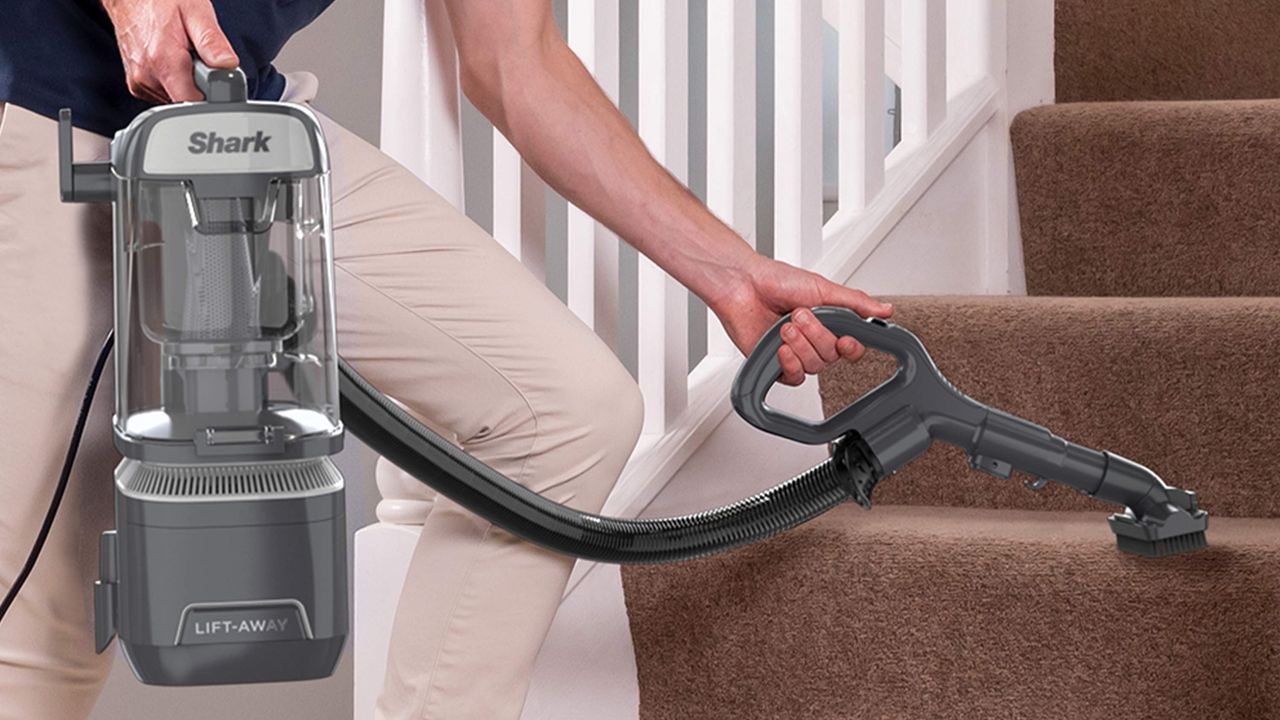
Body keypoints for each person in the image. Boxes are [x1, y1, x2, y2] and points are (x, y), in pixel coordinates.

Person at [0, 1, 892, 718]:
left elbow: (515, 60)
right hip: (48, 114)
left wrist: (731, 272)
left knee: (567, 409)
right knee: (41, 644)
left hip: (251, 138)